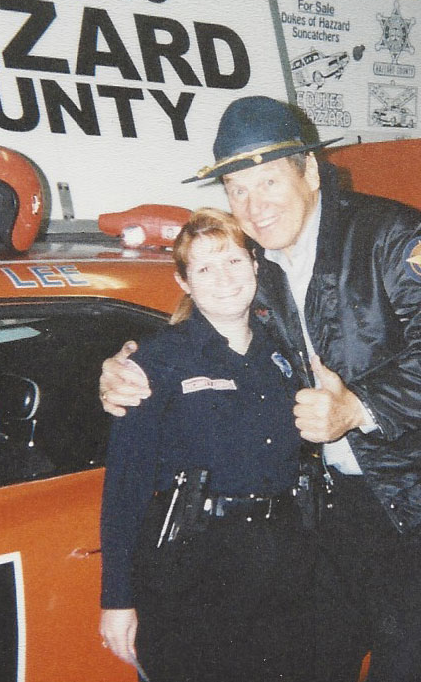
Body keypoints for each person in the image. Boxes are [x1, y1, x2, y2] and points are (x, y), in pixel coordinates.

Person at [99, 95, 421, 682]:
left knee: (410, 667)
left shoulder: (395, 237)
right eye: (238, 189)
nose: (254, 205)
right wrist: (128, 364)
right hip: (338, 503)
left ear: (311, 173)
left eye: (268, 181)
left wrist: (359, 407)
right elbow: (209, 323)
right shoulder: (259, 264)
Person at [98, 207, 313, 682]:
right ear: (184, 282)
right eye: (205, 268)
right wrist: (117, 598)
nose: (224, 278)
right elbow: (126, 487)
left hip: (282, 564)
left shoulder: (282, 352)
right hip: (191, 570)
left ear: (255, 265)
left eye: (234, 261)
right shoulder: (156, 362)